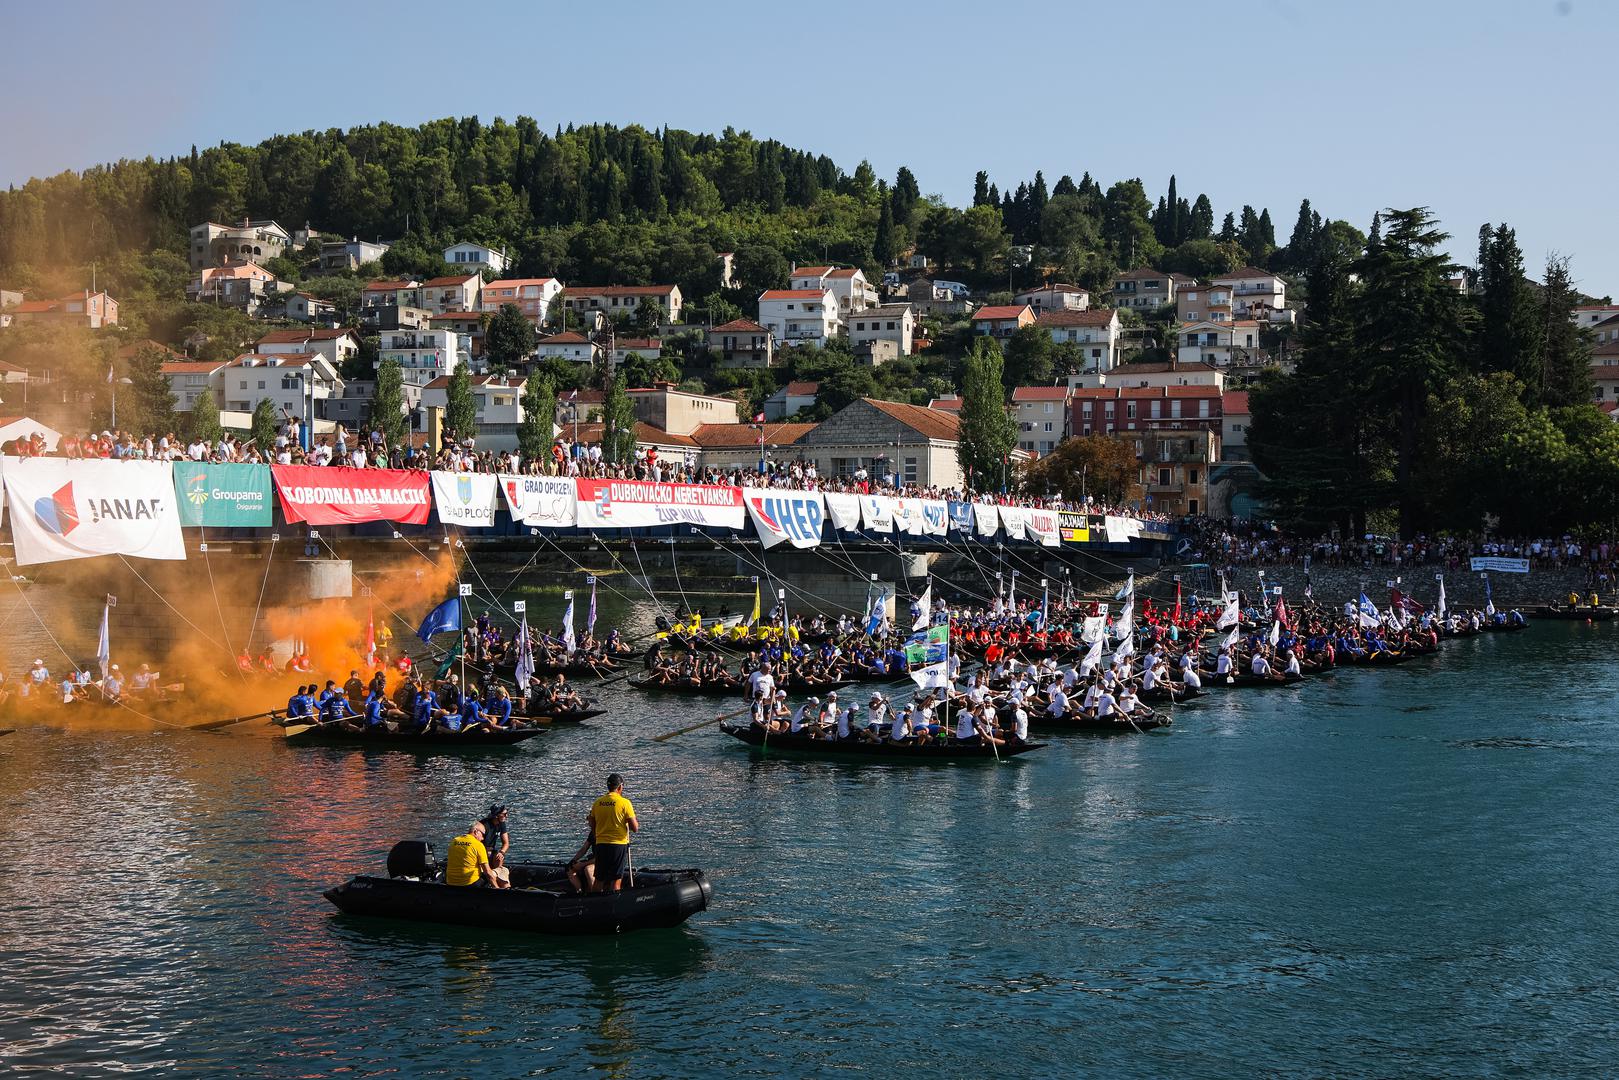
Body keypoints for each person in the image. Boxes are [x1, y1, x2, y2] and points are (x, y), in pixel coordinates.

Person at [588, 773, 639, 892]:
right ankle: (614, 901)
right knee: (616, 880)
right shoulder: (625, 803)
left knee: (599, 879)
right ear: (620, 787)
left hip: (601, 845)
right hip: (618, 845)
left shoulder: (597, 802)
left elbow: (592, 824)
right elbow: (635, 828)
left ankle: (594, 901)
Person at [445, 820, 493, 886]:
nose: (483, 838)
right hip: (469, 884)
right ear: (476, 832)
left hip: (451, 882)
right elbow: (488, 872)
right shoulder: (478, 844)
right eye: (483, 834)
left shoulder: (454, 841)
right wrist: (497, 888)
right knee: (498, 872)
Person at [567, 822, 597, 893]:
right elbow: (584, 849)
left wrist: (582, 864)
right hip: (593, 860)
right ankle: (580, 891)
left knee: (588, 869)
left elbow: (602, 857)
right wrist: (574, 860)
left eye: (589, 818)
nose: (588, 821)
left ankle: (595, 893)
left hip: (602, 861)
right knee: (570, 868)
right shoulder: (593, 832)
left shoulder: (604, 834)